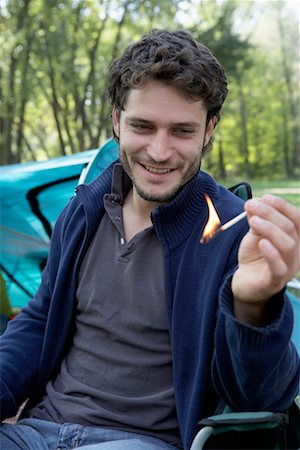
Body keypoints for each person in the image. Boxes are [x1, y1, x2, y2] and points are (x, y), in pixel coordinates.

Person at [0, 29, 299, 450]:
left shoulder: (237, 236)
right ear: (117, 121)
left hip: (137, 442)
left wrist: (254, 305)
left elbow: (263, 398)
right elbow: (38, 321)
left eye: (181, 131)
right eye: (143, 126)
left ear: (209, 129)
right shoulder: (82, 212)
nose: (159, 152)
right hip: (36, 430)